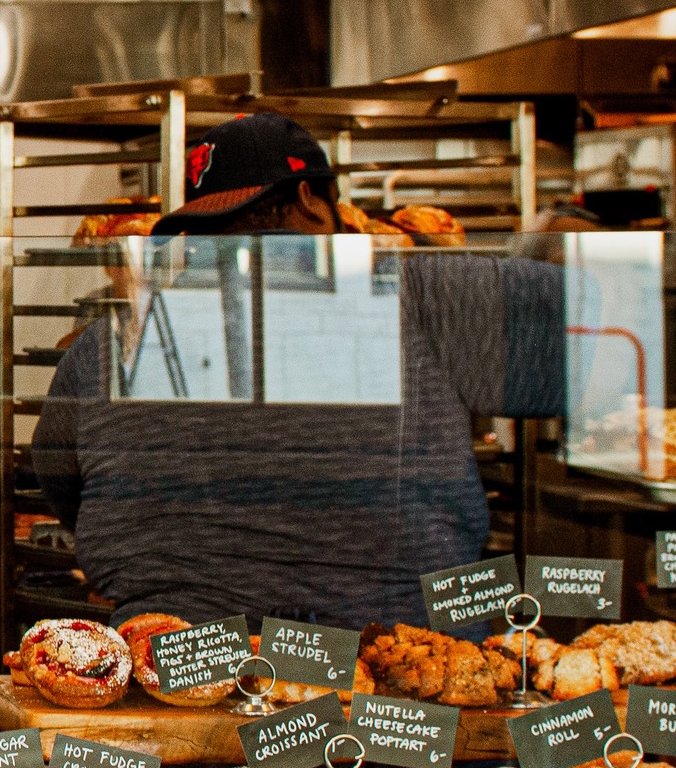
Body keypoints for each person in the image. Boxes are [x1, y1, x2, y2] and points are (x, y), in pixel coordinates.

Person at [33, 111, 566, 635]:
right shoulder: (429, 294)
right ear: (311, 200)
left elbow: (59, 476)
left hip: (181, 661)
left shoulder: (113, 340)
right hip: (394, 673)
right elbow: (605, 334)